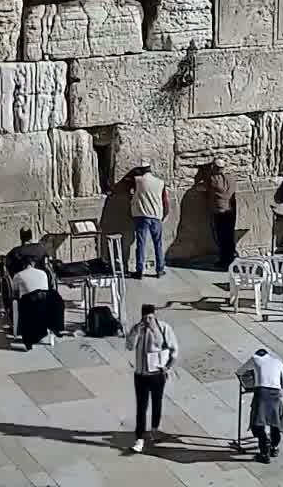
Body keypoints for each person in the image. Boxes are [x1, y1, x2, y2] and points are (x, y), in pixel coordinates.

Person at [125, 303, 177, 453]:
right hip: (141, 375)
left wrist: (167, 367)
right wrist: (135, 331)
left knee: (156, 403)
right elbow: (129, 346)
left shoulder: (164, 328)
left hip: (156, 374)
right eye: (145, 318)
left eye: (150, 317)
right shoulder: (138, 329)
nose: (148, 320)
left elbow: (174, 349)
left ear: (154, 316)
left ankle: (154, 429)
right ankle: (139, 438)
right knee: (141, 407)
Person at [119, 166, 171, 279]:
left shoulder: (138, 180)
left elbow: (126, 180)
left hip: (142, 216)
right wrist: (164, 214)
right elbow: (165, 201)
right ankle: (160, 270)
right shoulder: (160, 182)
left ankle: (140, 270)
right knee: (158, 244)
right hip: (156, 216)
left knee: (140, 244)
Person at [240, 348, 283, 463]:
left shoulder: (255, 359)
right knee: (275, 423)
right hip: (275, 395)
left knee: (257, 424)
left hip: (261, 395)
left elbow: (240, 371)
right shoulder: (278, 362)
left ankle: (264, 452)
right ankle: (274, 447)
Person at [11, 258, 63, 350]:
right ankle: (54, 328)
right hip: (46, 302)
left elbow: (15, 294)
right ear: (33, 264)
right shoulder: (43, 273)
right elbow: (45, 288)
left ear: (23, 266)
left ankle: (28, 341)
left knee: (21, 303)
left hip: (30, 303)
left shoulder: (18, 275)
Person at [2, 228, 52, 324]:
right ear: (31, 236)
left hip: (22, 287)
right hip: (42, 285)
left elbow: (8, 267)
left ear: (21, 238)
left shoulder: (15, 252)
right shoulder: (40, 248)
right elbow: (46, 264)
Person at [195, 160, 238, 269]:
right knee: (229, 236)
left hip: (220, 211)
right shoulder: (231, 178)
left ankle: (224, 261)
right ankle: (231, 258)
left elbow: (201, 185)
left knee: (222, 237)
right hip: (231, 210)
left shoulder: (213, 179)